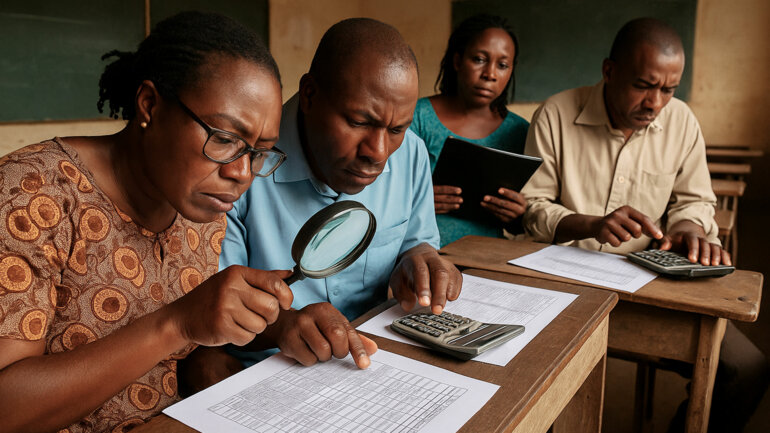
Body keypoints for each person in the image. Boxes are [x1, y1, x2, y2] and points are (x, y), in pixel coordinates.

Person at [0, 11, 293, 433]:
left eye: (259, 151)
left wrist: (273, 328)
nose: (242, 173)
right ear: (150, 105)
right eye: (226, 139)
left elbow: (172, 362)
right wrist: (177, 323)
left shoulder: (202, 209)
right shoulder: (33, 193)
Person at [520, 17, 768, 432]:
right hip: (565, 282)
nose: (655, 102)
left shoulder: (682, 122)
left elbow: (695, 200)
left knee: (747, 370)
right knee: (537, 384)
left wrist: (689, 229)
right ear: (609, 71)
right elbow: (532, 207)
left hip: (649, 283)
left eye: (668, 90)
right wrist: (590, 224)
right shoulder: (555, 114)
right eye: (643, 85)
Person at [214, 18, 462, 373]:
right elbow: (213, 312)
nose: (377, 152)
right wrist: (283, 325)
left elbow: (417, 243)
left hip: (372, 361)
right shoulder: (240, 167)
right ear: (310, 95)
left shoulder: (411, 154)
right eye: (359, 121)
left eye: (396, 129)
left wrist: (419, 262)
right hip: (268, 370)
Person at [409, 14, 530, 247]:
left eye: (502, 65)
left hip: (488, 259)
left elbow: (524, 219)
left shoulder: (520, 131)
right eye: (479, 59)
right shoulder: (418, 117)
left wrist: (519, 215)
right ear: (457, 61)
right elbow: (382, 190)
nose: (490, 74)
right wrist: (416, 200)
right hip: (421, 253)